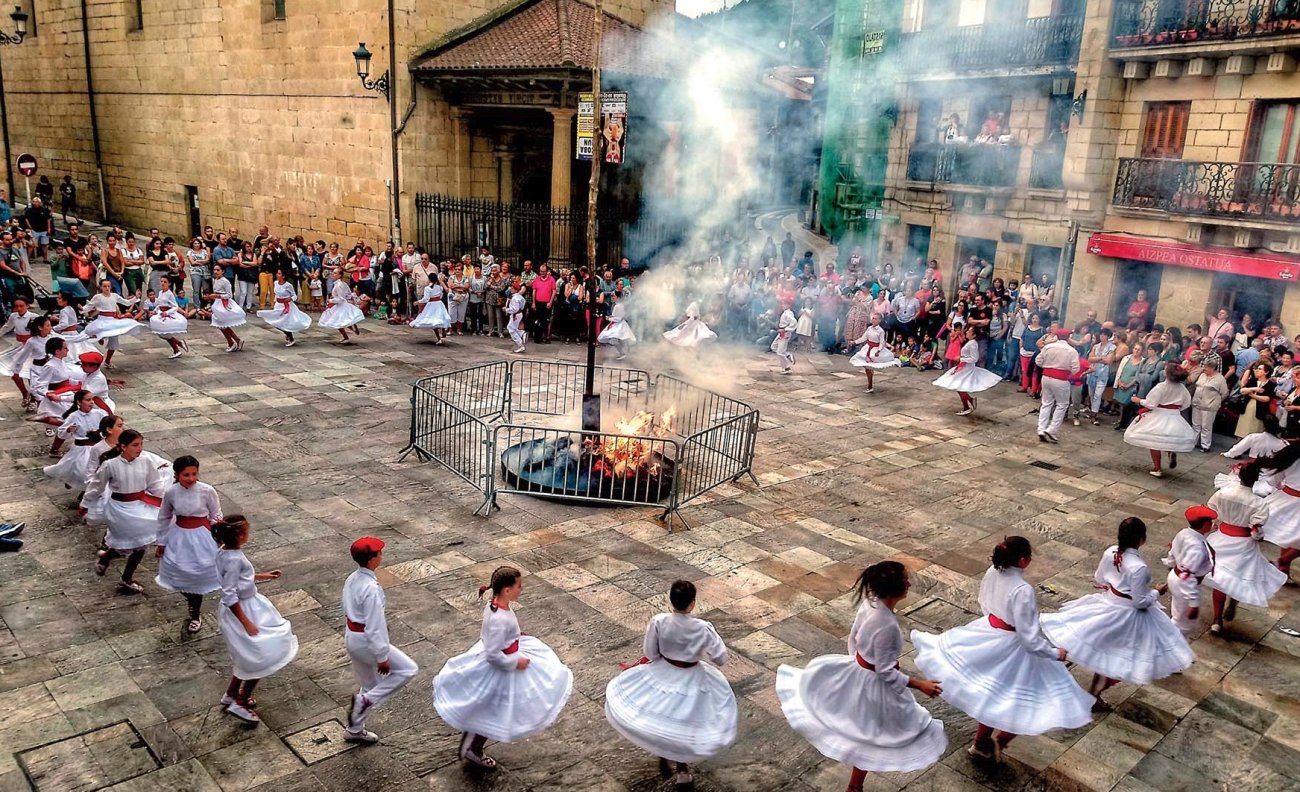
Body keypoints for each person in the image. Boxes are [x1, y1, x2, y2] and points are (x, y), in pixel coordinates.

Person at [911, 537, 1092, 763]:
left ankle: (981, 743)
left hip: (989, 631)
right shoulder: (1022, 590)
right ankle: (996, 742)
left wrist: (994, 622)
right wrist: (1055, 653)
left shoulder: (993, 571)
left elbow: (984, 601)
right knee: (1026, 703)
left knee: (995, 697)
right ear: (1023, 561)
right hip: (1012, 646)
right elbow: (1028, 637)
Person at [777, 561, 946, 789]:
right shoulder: (887, 626)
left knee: (866, 732)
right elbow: (885, 671)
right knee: (875, 735)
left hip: (857, 671)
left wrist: (856, 664)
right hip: (873, 683)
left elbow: (854, 637)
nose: (909, 583)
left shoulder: (870, 603)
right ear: (894, 589)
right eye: (905, 580)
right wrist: (919, 684)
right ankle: (854, 787)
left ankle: (855, 786)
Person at [1040, 517, 1193, 710]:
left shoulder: (1110, 552)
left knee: (1105, 652)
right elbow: (1139, 602)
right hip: (1127, 614)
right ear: (1141, 539)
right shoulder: (1139, 567)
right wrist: (1157, 592)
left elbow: (1100, 577)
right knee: (1123, 661)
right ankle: (1094, 694)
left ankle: (1091, 693)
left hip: (1108, 602)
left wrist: (1113, 585)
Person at [433, 566, 573, 769]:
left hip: (506, 653)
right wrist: (516, 662)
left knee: (491, 706)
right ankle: (474, 748)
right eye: (519, 586)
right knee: (496, 710)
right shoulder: (500, 618)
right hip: (502, 665)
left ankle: (473, 739)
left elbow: (496, 635)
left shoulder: (496, 605)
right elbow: (492, 654)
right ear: (507, 590)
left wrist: (515, 635)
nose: (521, 590)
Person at [605, 580, 737, 790]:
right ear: (692, 604)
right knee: (684, 721)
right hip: (691, 676)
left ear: (671, 600)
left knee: (662, 714)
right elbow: (720, 658)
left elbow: (650, 653)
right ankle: (682, 770)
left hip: (663, 672)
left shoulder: (659, 621)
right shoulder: (703, 628)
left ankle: (665, 752)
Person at [213, 515, 297, 724]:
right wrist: (246, 622)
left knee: (247, 655)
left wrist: (262, 576)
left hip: (247, 607)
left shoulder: (224, 553)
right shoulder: (234, 559)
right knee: (260, 655)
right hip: (245, 609)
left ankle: (232, 693)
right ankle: (240, 702)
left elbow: (239, 578)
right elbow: (230, 593)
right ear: (241, 535)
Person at [343, 537, 419, 744]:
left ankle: (355, 729)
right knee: (407, 669)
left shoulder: (352, 578)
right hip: (366, 640)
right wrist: (381, 655)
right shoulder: (371, 588)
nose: (381, 556)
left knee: (368, 683)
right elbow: (374, 625)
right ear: (371, 560)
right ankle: (365, 702)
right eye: (379, 554)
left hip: (352, 637)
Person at [78, 430, 165, 594]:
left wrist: (165, 499)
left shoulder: (146, 462)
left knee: (140, 546)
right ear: (123, 447)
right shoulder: (110, 465)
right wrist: (85, 503)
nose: (140, 448)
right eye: (135, 445)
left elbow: (155, 484)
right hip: (120, 510)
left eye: (141, 444)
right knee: (127, 544)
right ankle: (108, 558)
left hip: (140, 506)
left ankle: (126, 576)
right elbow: (96, 486)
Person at [1205, 463, 1283, 634]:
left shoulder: (1222, 493)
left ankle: (1216, 619)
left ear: (1239, 476)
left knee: (1220, 579)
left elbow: (1211, 514)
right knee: (1238, 576)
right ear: (1256, 479)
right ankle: (1231, 603)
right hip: (1243, 543)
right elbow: (1256, 531)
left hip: (1221, 538)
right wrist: (1259, 536)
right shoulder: (1259, 504)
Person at [155, 455, 223, 634]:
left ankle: (195, 612)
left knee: (198, 572)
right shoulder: (171, 492)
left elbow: (216, 513)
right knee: (179, 571)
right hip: (179, 536)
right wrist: (161, 541)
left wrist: (218, 533)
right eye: (186, 475)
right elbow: (164, 517)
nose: (191, 479)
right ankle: (191, 600)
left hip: (202, 535)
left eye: (194, 474)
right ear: (177, 475)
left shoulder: (207, 491)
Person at [1125, 362, 1196, 478]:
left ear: (1167, 374)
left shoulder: (1161, 387)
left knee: (1154, 441)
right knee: (1169, 438)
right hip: (1174, 416)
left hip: (1159, 415)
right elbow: (1187, 403)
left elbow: (1151, 403)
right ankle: (1170, 452)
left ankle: (1157, 468)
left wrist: (1138, 400)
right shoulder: (1182, 388)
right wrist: (1176, 409)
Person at [1163, 505, 1219, 635]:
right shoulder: (1197, 549)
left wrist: (1171, 566)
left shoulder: (1184, 533)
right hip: (1184, 585)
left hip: (1175, 576)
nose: (1212, 524)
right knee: (1183, 624)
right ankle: (1169, 644)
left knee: (1177, 615)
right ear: (1205, 525)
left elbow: (1172, 553)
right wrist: (1193, 602)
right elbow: (1188, 577)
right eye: (1210, 522)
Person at [42, 389, 108, 487]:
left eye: (92, 399)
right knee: (82, 470)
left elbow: (108, 426)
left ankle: (84, 489)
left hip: (98, 446)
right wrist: (68, 430)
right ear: (79, 402)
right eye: (88, 400)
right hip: (82, 449)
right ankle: (77, 484)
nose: (91, 402)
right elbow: (61, 433)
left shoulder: (100, 413)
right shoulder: (73, 416)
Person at [933, 326, 1001, 416]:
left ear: (974, 335)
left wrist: (961, 359)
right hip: (964, 367)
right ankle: (969, 402)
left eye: (969, 331)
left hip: (967, 368)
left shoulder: (972, 344)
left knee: (959, 386)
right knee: (959, 387)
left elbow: (974, 358)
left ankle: (967, 406)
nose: (967, 332)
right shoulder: (970, 342)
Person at [1036, 328, 1081, 442]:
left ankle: (1041, 429)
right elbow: (1076, 369)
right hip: (1061, 378)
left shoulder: (1048, 347)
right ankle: (1052, 429)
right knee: (1062, 404)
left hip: (1046, 376)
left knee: (1046, 403)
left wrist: (1048, 366)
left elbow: (1038, 361)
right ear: (1068, 338)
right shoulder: (1072, 351)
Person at [256, 271, 311, 347]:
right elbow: (276, 294)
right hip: (278, 305)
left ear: (283, 276)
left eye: (279, 274)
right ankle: (287, 334)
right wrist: (275, 302)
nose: (277, 275)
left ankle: (291, 337)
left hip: (287, 306)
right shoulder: (275, 283)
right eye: (277, 273)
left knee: (285, 322)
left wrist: (290, 299)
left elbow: (294, 296)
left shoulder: (288, 285)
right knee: (276, 322)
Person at [849, 313, 901, 393]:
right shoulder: (869, 328)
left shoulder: (881, 331)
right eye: (873, 318)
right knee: (866, 367)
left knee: (869, 367)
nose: (873, 320)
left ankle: (870, 386)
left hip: (875, 350)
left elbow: (882, 342)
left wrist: (879, 351)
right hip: (868, 348)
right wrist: (854, 342)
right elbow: (863, 338)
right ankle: (870, 384)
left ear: (879, 320)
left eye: (876, 319)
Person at [204, 264, 246, 352]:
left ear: (222, 271)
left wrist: (217, 296)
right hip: (217, 304)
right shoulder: (215, 280)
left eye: (218, 270)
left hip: (224, 304)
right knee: (222, 325)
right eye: (214, 270)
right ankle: (236, 340)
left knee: (222, 324)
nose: (216, 272)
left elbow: (229, 295)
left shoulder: (225, 281)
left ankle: (232, 342)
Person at [1190, 356, 1229, 452]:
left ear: (1212, 368)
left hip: (1209, 406)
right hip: (1197, 404)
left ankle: (1205, 446)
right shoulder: (1202, 375)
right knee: (1195, 425)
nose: (1204, 368)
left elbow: (1224, 393)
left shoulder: (1220, 379)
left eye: (1206, 367)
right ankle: (1192, 442)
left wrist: (1215, 402)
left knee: (1206, 427)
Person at [321, 269, 367, 344]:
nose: (333, 274)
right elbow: (348, 294)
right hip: (342, 304)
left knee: (338, 322)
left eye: (335, 273)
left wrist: (330, 300)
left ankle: (347, 334)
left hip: (341, 305)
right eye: (333, 272)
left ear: (339, 275)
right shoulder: (342, 283)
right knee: (340, 321)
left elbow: (340, 299)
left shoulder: (339, 285)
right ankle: (350, 330)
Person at [150, 276, 190, 359]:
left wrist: (167, 312)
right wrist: (155, 310)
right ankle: (178, 343)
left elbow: (175, 306)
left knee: (165, 334)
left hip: (168, 314)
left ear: (169, 283)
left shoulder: (170, 294)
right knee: (161, 334)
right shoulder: (160, 292)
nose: (162, 283)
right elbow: (159, 304)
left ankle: (176, 350)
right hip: (161, 313)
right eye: (161, 281)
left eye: (165, 282)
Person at [408, 277, 451, 344]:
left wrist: (418, 302)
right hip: (439, 304)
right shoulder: (439, 287)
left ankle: (439, 338)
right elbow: (441, 296)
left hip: (432, 305)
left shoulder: (427, 288)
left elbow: (426, 299)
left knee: (433, 320)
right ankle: (443, 330)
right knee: (441, 317)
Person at [596, 289, 635, 361]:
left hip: (618, 325)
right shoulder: (618, 305)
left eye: (614, 296)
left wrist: (609, 319)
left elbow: (618, 318)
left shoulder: (618, 306)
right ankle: (623, 353)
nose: (612, 297)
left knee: (616, 339)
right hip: (617, 324)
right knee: (617, 339)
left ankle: (623, 353)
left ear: (618, 297)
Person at [772, 305, 798, 374]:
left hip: (785, 333)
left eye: (784, 303)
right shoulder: (785, 312)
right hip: (782, 332)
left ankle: (787, 368)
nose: (782, 305)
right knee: (774, 347)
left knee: (780, 352)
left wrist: (785, 329)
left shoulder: (788, 313)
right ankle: (788, 355)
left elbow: (794, 323)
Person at [505, 281, 527, 354]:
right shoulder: (520, 297)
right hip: (519, 314)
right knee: (513, 328)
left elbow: (515, 309)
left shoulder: (514, 298)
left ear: (515, 289)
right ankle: (522, 334)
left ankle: (520, 345)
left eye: (512, 288)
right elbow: (523, 304)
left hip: (515, 315)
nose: (511, 289)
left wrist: (506, 309)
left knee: (511, 329)